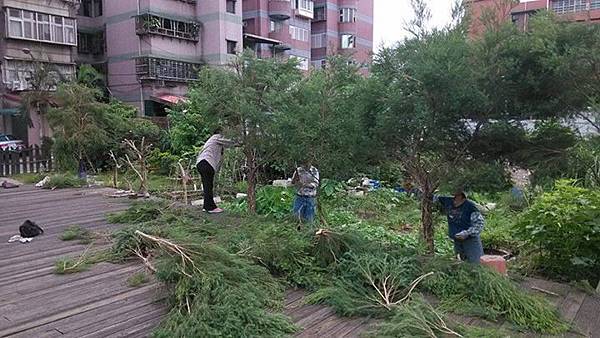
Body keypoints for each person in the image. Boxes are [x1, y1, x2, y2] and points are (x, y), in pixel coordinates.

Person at [437, 190, 484, 264]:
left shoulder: (470, 207)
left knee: (475, 264)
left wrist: (467, 233)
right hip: (457, 240)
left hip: (470, 240)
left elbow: (479, 224)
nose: (455, 198)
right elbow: (431, 197)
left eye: (458, 195)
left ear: (462, 196)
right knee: (461, 263)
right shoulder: (448, 201)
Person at [196, 128, 236, 213]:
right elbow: (230, 142)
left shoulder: (213, 140)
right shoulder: (217, 137)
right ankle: (210, 207)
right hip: (206, 162)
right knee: (208, 185)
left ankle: (207, 206)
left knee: (208, 185)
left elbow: (227, 145)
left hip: (202, 162)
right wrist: (242, 142)